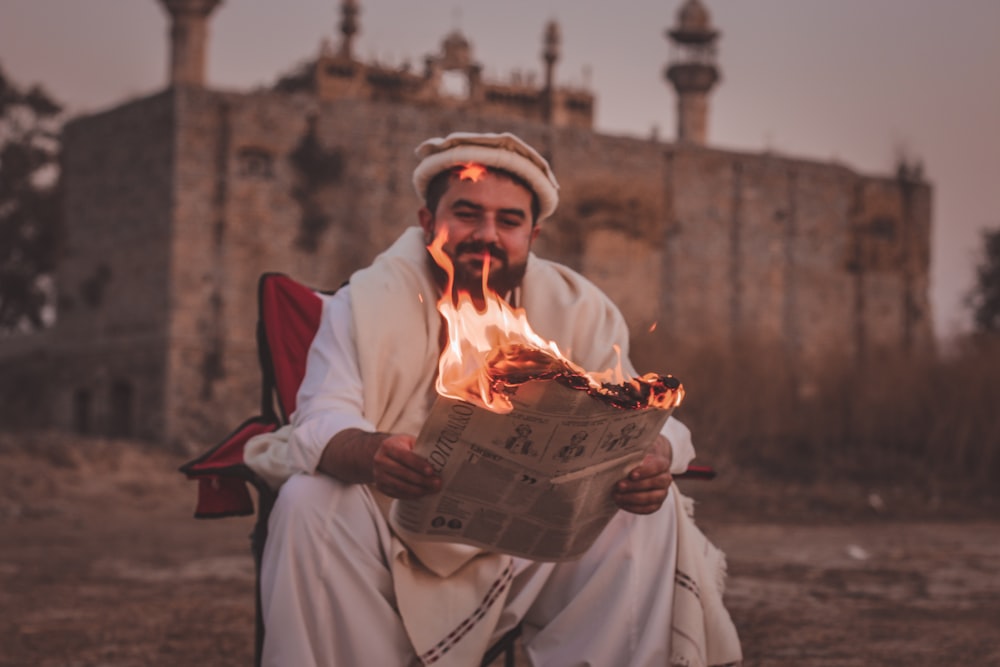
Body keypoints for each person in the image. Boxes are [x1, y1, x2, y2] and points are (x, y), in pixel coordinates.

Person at [259, 131, 740, 666]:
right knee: (308, 503)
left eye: (508, 221)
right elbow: (319, 419)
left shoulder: (578, 309)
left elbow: (651, 418)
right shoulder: (365, 304)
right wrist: (374, 453)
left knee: (648, 509)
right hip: (392, 535)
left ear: (533, 234)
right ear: (427, 223)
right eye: (466, 214)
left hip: (529, 550)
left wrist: (658, 457)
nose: (486, 235)